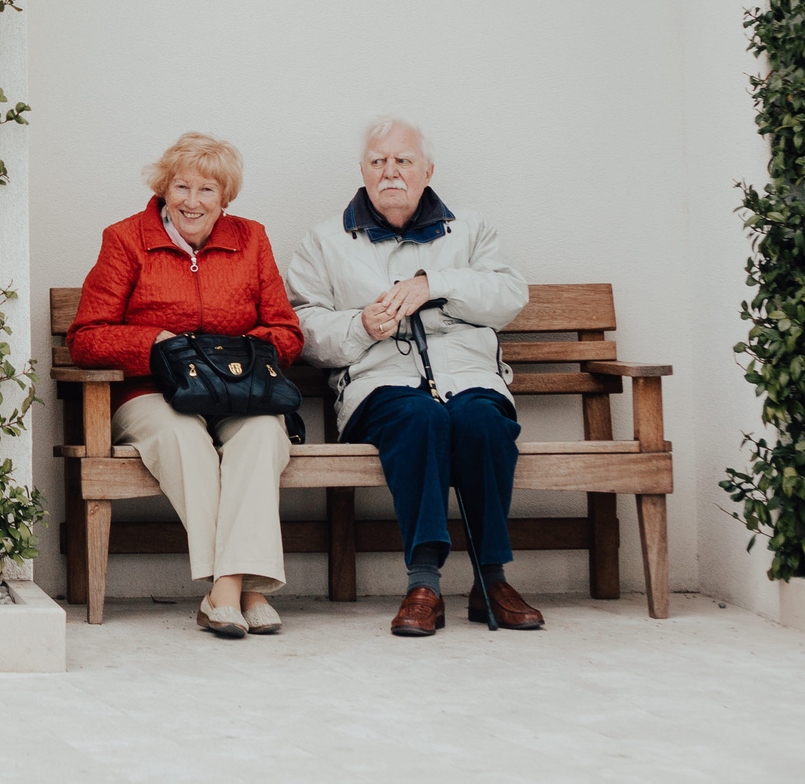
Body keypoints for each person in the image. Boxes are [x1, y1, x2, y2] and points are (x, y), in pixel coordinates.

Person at [285, 116, 542, 636]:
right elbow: (303, 329)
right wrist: (360, 326)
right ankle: (423, 584)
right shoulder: (323, 241)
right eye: (378, 161)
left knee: (482, 423)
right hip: (379, 384)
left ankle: (491, 581)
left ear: (427, 170)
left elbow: (508, 296)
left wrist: (436, 283)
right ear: (363, 171)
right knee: (420, 419)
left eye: (403, 160)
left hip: (469, 376)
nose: (391, 172)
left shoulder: (469, 229)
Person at [69, 131, 302, 638]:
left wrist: (232, 353)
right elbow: (85, 338)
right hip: (151, 393)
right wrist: (156, 343)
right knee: (184, 439)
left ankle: (224, 592)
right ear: (164, 189)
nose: (191, 202)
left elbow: (286, 332)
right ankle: (245, 590)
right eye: (181, 187)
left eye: (207, 190)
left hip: (238, 392)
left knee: (264, 435)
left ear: (225, 198)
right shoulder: (126, 239)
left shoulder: (252, 239)